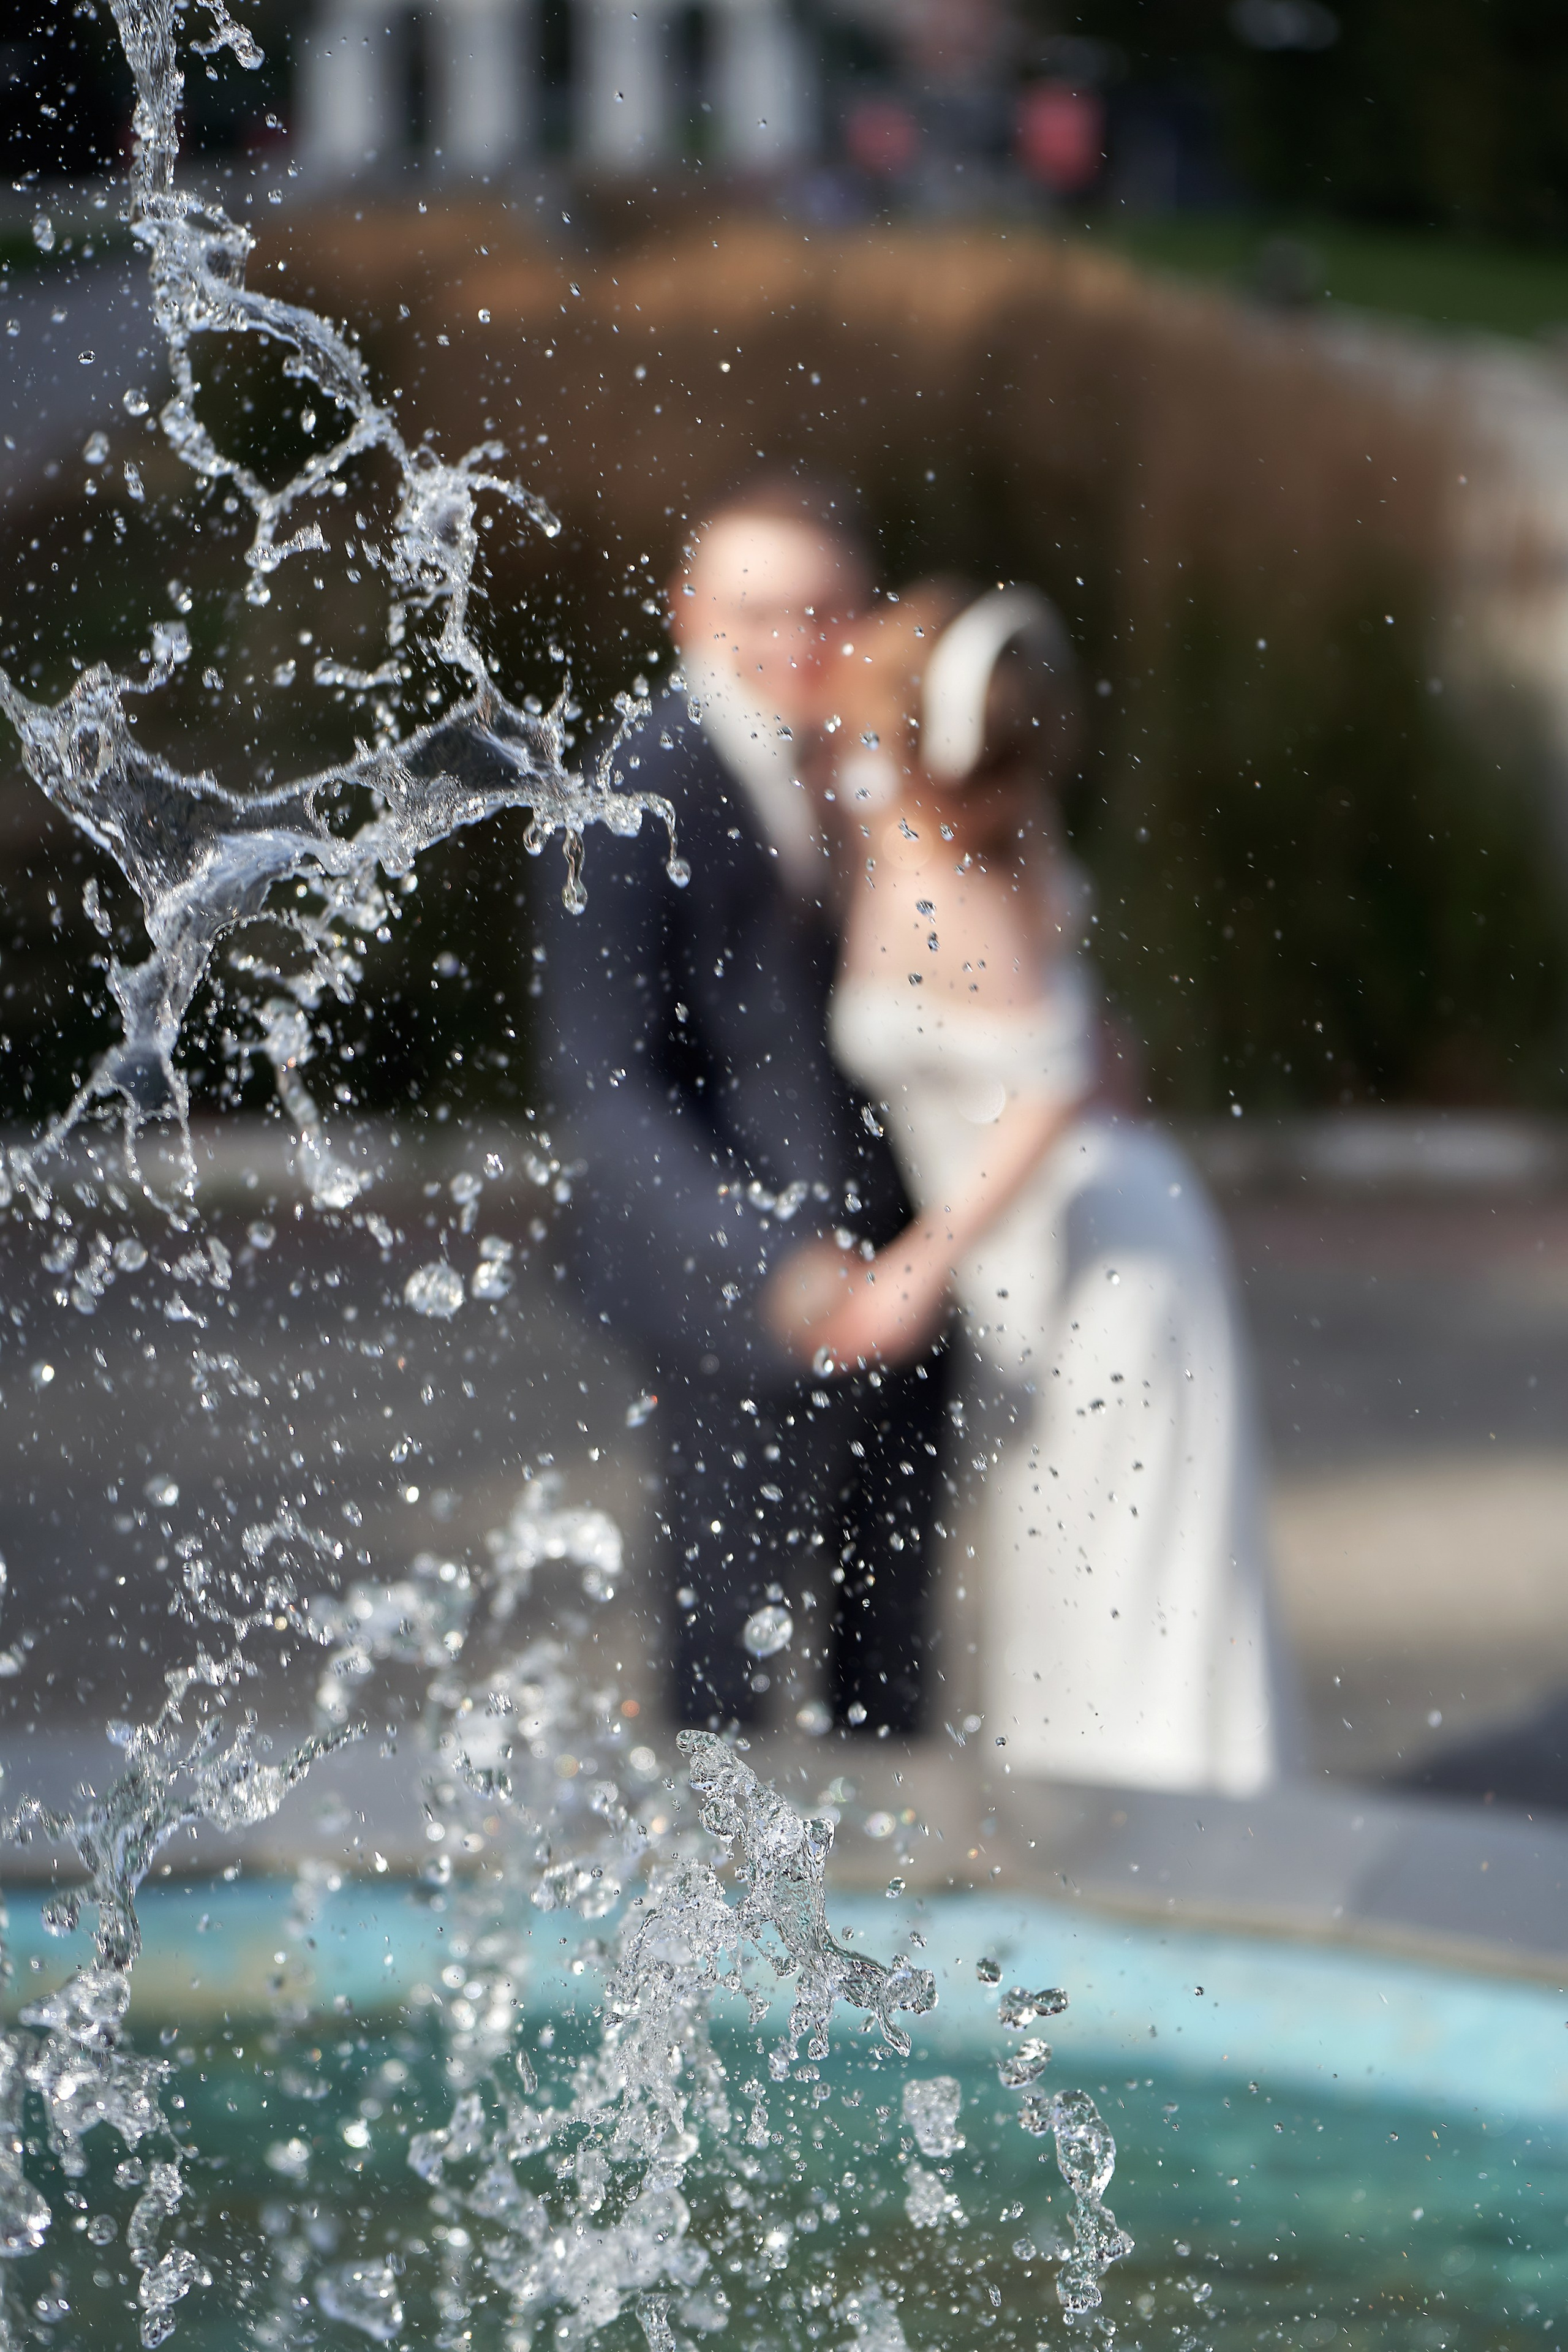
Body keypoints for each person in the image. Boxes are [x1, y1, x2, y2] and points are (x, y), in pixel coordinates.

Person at [794, 579, 1288, 1794]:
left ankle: (1158, 1810)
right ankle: (1097, 1806)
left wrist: (920, 1261)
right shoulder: (968, 833)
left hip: (1091, 1248)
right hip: (1076, 1235)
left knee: (1121, 1543)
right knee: (1065, 1535)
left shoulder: (944, 879)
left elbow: (1059, 1078)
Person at [538, 478, 950, 1738]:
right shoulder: (627, 793)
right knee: (723, 1661)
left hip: (902, 1271)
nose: (795, 642)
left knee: (890, 1653)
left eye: (825, 611)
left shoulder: (888, 758)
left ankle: (887, 1922)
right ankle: (708, 1927)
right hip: (725, 1296)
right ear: (685, 616)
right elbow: (603, 1086)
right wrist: (768, 1259)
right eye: (756, 613)